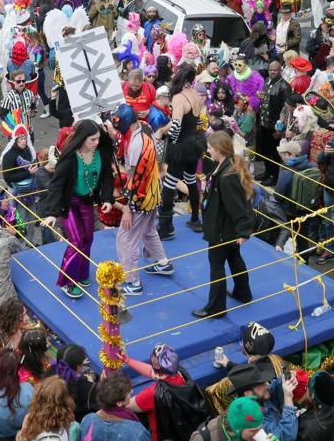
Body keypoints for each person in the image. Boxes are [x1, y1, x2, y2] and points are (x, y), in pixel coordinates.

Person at [39, 120, 115, 299]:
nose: (96, 142)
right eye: (92, 139)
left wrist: (107, 198)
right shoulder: (70, 158)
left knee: (88, 238)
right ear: (82, 139)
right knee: (76, 241)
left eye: (98, 138)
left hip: (86, 201)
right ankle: (67, 281)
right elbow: (56, 185)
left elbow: (107, 177)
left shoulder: (101, 154)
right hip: (69, 203)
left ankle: (81, 274)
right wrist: (52, 213)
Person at [109, 103, 172, 295]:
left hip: (141, 196)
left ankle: (133, 282)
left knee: (125, 239)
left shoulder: (136, 144)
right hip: (154, 190)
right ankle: (163, 263)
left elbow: (136, 179)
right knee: (148, 230)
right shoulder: (145, 127)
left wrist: (128, 207)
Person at [194, 130, 254, 318]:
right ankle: (243, 293)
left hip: (222, 229)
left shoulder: (227, 177)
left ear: (219, 150)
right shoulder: (225, 167)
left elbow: (237, 207)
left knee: (217, 265)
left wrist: (243, 231)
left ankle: (216, 307)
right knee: (234, 259)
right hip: (226, 228)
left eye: (210, 148)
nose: (208, 151)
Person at [158, 64, 207, 239]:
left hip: (181, 147)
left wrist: (169, 141)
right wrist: (164, 130)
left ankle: (166, 228)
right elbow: (193, 122)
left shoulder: (179, 97)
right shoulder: (196, 95)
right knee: (191, 181)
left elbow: (177, 125)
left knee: (169, 185)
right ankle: (195, 219)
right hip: (194, 145)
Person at [80, 371, 149, 441]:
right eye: (128, 392)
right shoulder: (137, 432)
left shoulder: (87, 420)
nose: (132, 391)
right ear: (119, 403)